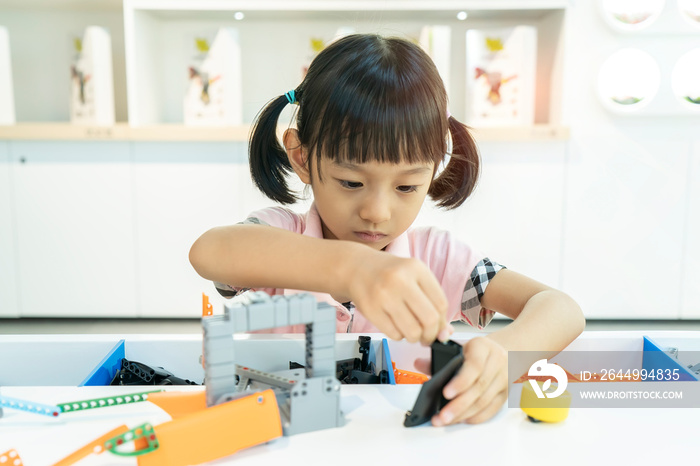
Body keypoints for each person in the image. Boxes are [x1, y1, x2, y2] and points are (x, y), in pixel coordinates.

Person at [189, 33, 585, 425]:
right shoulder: (279, 235)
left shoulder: (438, 259)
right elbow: (210, 253)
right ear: (303, 156)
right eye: (351, 182)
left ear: (435, 167)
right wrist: (353, 267)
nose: (377, 212)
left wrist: (504, 352)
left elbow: (561, 309)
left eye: (406, 187)